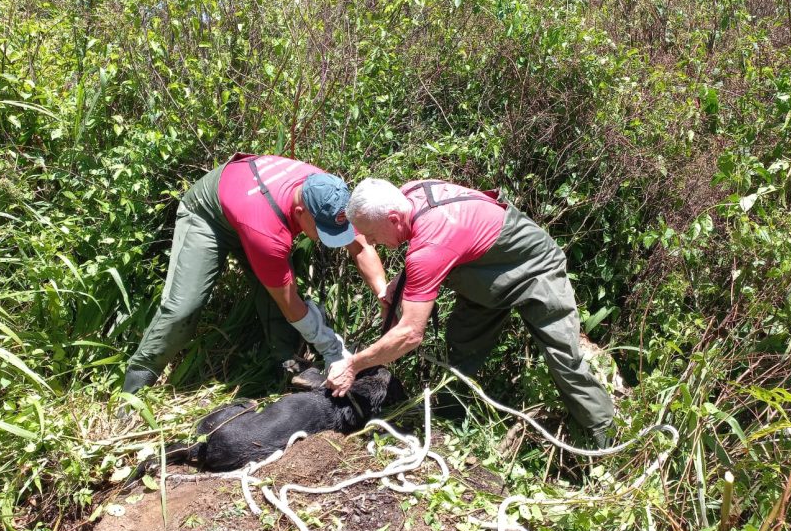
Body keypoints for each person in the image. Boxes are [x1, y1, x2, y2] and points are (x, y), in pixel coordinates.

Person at [324, 178, 614, 447]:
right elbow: (438, 241)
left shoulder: (430, 247)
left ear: (393, 219)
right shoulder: (408, 194)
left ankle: (607, 443)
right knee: (462, 345)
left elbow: (411, 334)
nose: (372, 243)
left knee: (565, 361)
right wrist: (399, 282)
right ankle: (450, 429)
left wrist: (353, 365)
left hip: (535, 269)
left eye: (372, 235)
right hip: (483, 275)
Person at [121, 154, 387, 394]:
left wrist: (384, 294)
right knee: (183, 309)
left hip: (249, 208)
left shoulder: (327, 192)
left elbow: (360, 245)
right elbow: (289, 302)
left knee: (276, 298)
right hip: (209, 216)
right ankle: (133, 389)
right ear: (299, 212)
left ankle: (288, 365)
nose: (326, 239)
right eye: (323, 231)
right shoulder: (267, 234)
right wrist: (331, 348)